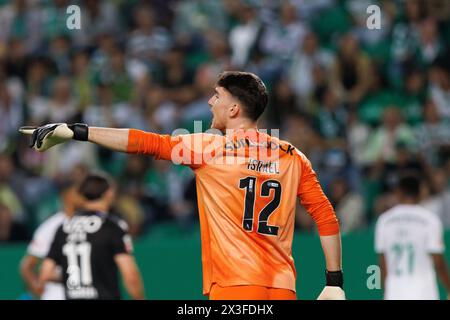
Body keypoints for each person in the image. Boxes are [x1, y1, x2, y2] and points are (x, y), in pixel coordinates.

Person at [21, 71, 344, 300]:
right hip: (283, 286)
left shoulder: (209, 148)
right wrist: (334, 282)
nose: (209, 102)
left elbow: (144, 142)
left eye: (216, 97)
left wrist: (78, 131)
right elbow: (326, 217)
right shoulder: (291, 155)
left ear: (234, 109)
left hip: (234, 286)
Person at [38, 173, 145, 300]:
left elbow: (45, 273)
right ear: (108, 194)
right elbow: (130, 275)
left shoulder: (64, 228)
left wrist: (76, 277)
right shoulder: (112, 227)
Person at [375, 173, 450, 300]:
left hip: (394, 292)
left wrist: (386, 291)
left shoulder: (384, 221)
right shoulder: (430, 220)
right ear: (420, 193)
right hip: (424, 292)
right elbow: (438, 261)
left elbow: (383, 263)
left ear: (398, 193)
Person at [20, 178, 80, 300]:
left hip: (85, 290)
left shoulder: (90, 223)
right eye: (76, 193)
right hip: (57, 291)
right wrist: (38, 289)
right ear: (65, 196)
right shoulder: (51, 226)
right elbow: (27, 267)